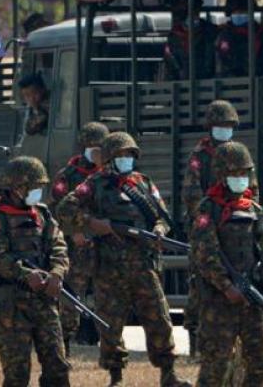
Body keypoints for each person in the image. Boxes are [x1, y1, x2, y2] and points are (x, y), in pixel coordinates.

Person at [56, 132, 191, 387]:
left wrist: (160, 231)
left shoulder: (142, 183)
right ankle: (116, 376)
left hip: (144, 265)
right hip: (109, 268)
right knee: (110, 325)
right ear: (108, 159)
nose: (127, 159)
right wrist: (93, 224)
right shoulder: (93, 184)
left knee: (159, 319)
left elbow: (162, 216)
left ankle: (168, 374)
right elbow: (65, 208)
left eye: (130, 155)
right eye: (121, 155)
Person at [192, 141, 263, 386]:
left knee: (259, 361)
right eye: (234, 174)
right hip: (220, 301)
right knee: (215, 367)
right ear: (221, 175)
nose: (241, 179)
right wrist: (226, 287)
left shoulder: (254, 210)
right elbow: (205, 255)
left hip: (252, 300)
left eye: (244, 173)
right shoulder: (208, 209)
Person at [0, 156, 71, 387]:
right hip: (10, 303)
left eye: (40, 186)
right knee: (17, 373)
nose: (37, 191)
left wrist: (57, 273)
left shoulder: (43, 214)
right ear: (16, 187)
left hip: (44, 300)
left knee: (58, 368)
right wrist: (24, 274)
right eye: (33, 187)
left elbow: (58, 247)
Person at [181, 99, 241, 356]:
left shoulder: (238, 154)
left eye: (229, 125)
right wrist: (207, 219)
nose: (225, 129)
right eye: (220, 125)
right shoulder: (200, 156)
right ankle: (196, 344)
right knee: (201, 283)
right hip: (206, 225)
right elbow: (192, 193)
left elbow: (250, 189)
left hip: (235, 226)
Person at [51, 121, 109, 354]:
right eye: (92, 146)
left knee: (106, 295)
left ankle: (106, 344)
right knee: (72, 295)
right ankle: (63, 345)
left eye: (101, 146)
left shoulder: (110, 175)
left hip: (105, 245)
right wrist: (73, 231)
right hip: (78, 246)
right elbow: (57, 209)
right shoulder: (68, 175)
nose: (96, 150)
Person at [216, 0, 263, 78]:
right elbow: (218, 61)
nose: (239, 14)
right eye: (235, 12)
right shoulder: (223, 33)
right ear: (230, 13)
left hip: (255, 82)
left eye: (243, 12)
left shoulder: (260, 33)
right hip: (227, 84)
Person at [162, 0, 218, 81]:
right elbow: (169, 65)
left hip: (207, 86)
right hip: (179, 87)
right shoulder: (174, 35)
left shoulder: (210, 32)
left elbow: (213, 63)